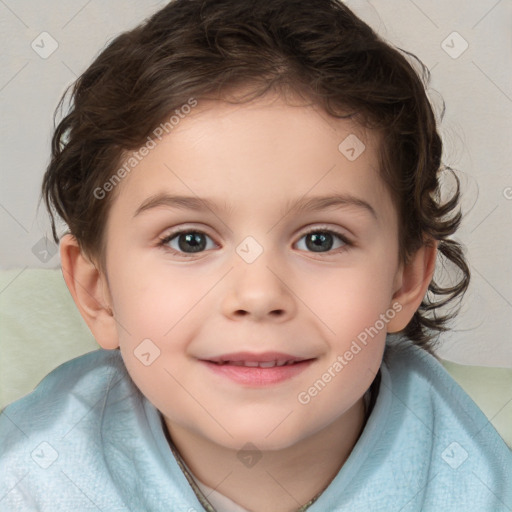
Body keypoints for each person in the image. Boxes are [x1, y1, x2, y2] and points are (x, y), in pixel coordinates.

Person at [1, 0, 510, 510]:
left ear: (404, 282)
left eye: (321, 239)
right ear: (98, 293)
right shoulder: (27, 482)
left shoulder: (480, 484)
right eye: (190, 240)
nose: (259, 295)